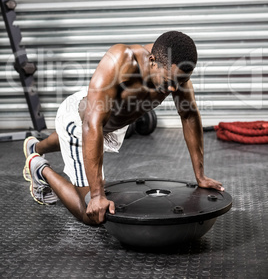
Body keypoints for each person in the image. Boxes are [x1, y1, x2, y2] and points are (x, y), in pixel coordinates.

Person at [24, 31, 224, 225]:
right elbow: (91, 124)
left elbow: (189, 116)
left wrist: (201, 176)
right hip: (80, 119)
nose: (174, 89)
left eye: (181, 81)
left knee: (67, 139)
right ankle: (39, 168)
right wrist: (96, 195)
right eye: (169, 82)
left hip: (109, 120)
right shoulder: (121, 59)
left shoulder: (175, 76)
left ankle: (36, 148)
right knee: (92, 214)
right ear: (153, 61)